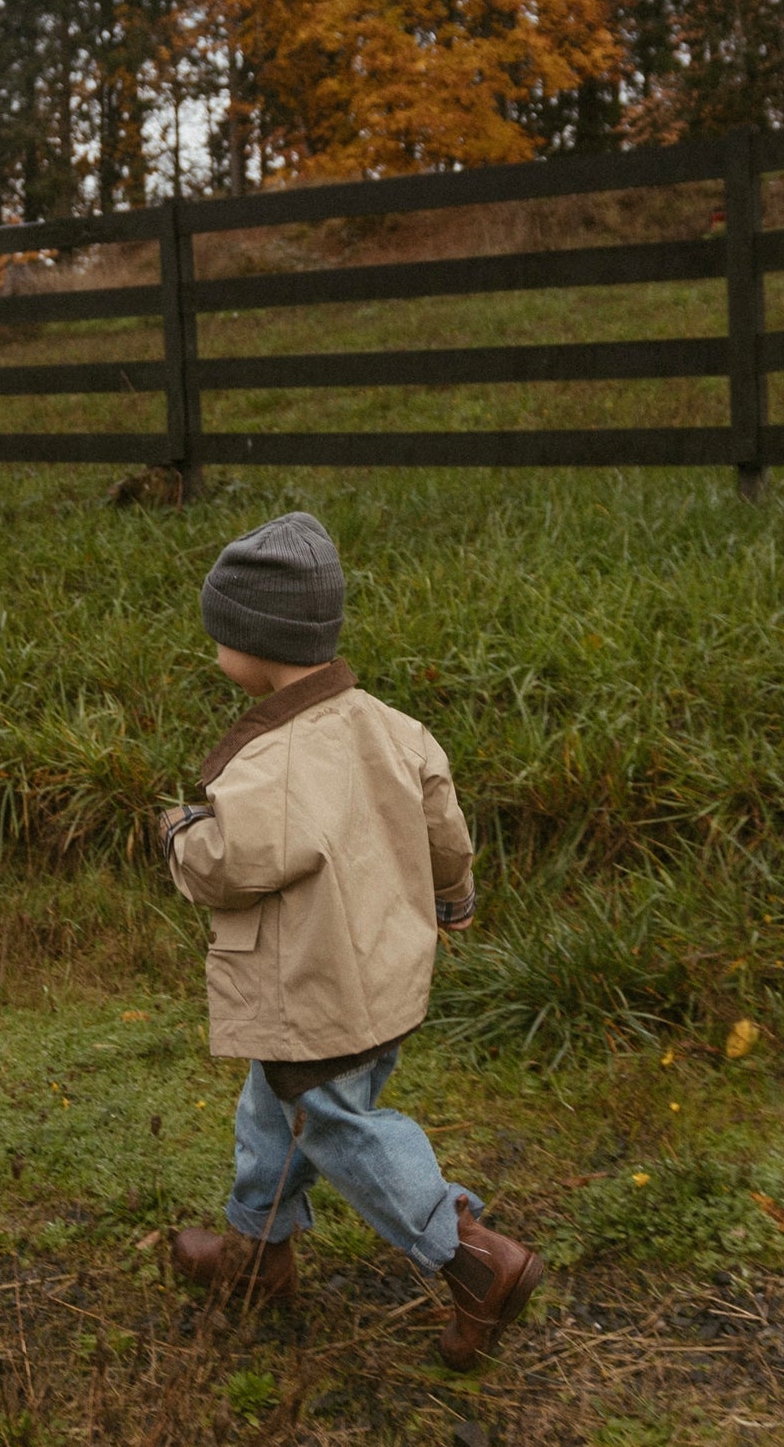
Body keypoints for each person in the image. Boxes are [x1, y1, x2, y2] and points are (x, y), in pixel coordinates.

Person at [158, 511, 543, 1369]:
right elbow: (445, 827)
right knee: (274, 1110)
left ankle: (473, 1259)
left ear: (253, 646)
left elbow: (228, 866)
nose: (214, 651)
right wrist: (454, 901)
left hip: (314, 988)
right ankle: (256, 1253)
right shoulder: (394, 728)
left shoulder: (271, 766)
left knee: (335, 1123)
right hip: (384, 975)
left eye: (219, 636)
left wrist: (180, 832)